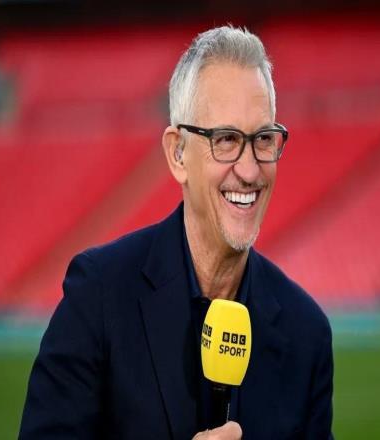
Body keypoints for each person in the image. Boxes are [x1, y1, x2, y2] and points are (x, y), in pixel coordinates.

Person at [19, 26, 334, 440]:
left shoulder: (306, 332)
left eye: (262, 139)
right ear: (178, 154)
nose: (249, 169)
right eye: (226, 139)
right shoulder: (99, 295)